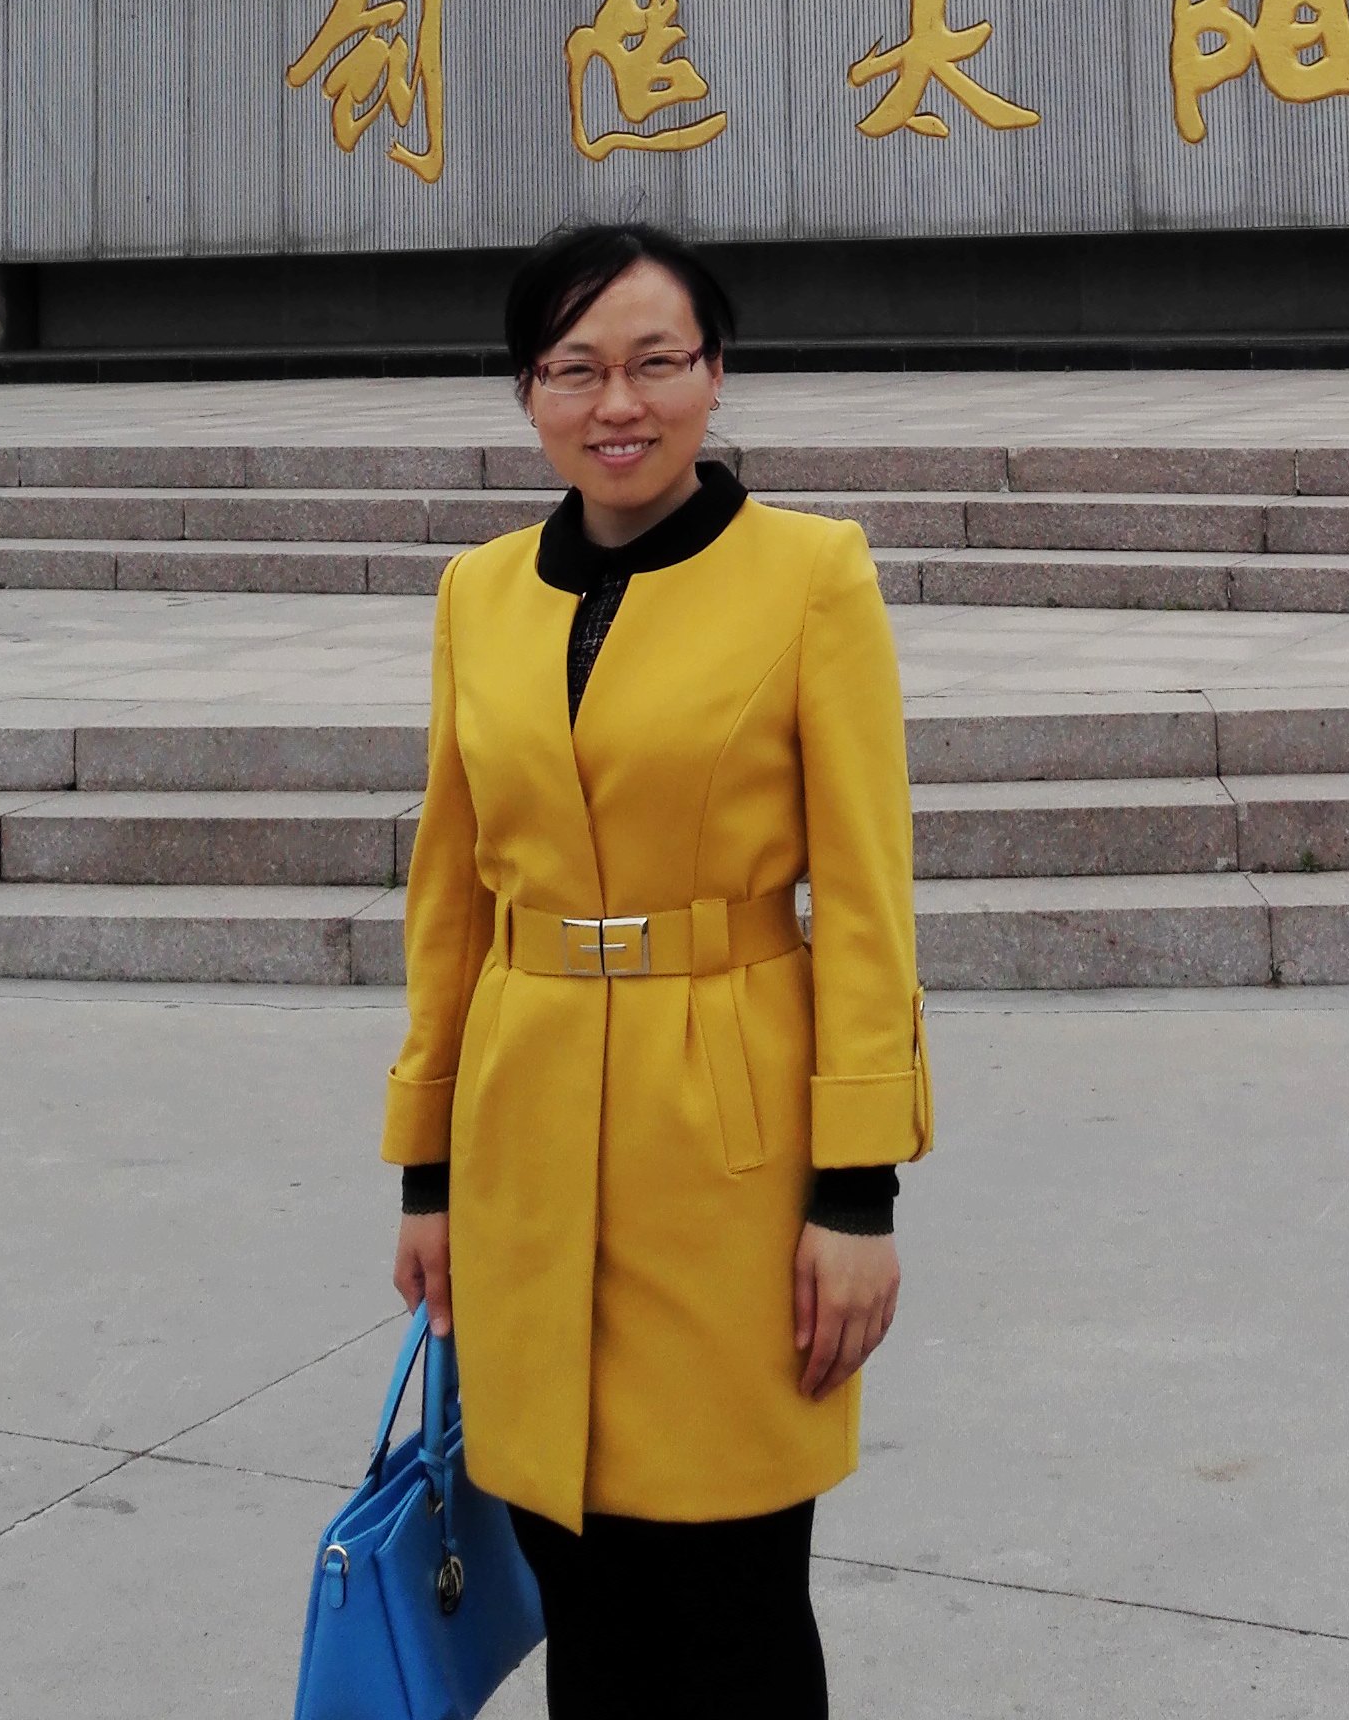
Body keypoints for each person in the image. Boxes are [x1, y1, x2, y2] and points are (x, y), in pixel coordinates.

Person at [383, 221, 932, 1717]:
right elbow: (451, 898)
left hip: (729, 1148)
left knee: (734, 1601)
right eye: (574, 369)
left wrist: (858, 1193)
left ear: (714, 373)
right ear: (528, 392)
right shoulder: (478, 593)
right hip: (527, 1132)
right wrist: (427, 1170)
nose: (616, 404)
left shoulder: (810, 576)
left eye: (653, 362)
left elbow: (866, 900)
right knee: (583, 1596)